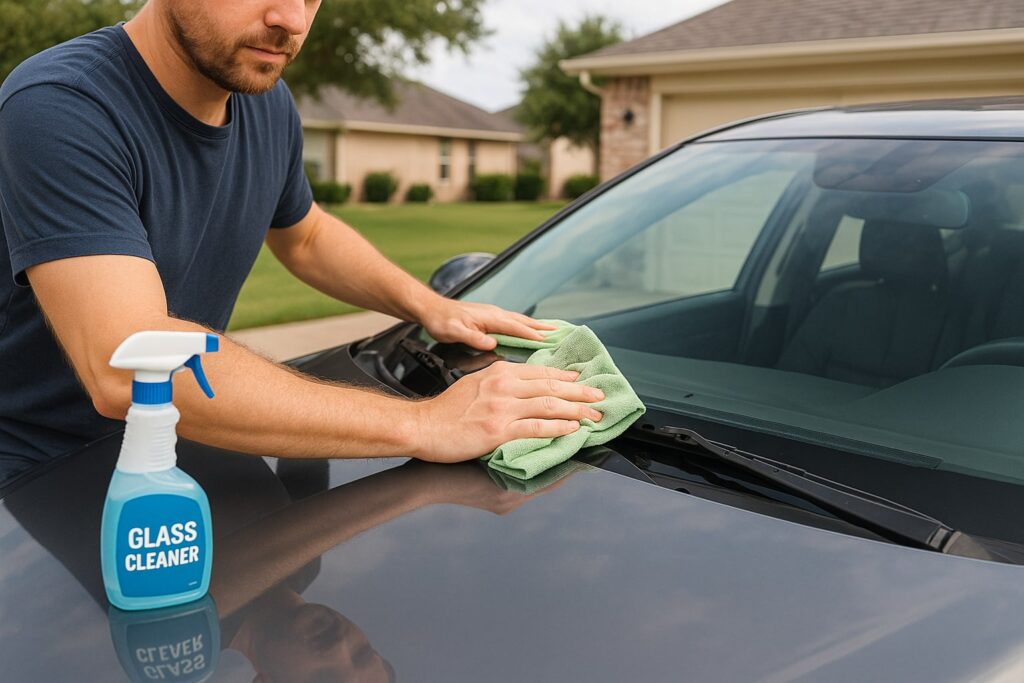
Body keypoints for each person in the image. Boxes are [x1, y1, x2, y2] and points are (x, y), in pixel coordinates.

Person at [0, 0, 605, 477]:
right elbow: (127, 362)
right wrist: (427, 423)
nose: (291, 19)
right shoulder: (62, 106)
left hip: (185, 440)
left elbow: (306, 234)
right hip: (36, 472)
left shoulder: (265, 102)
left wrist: (431, 305)